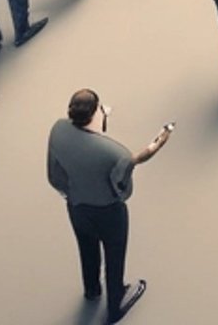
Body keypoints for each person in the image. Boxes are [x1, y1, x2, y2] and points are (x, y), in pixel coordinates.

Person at [45, 88, 163, 323]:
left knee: (86, 247)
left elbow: (54, 176)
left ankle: (91, 288)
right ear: (95, 113)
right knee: (114, 256)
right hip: (108, 212)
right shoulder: (114, 152)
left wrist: (71, 193)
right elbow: (123, 190)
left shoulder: (58, 129)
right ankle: (115, 302)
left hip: (76, 207)